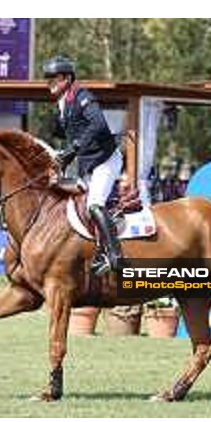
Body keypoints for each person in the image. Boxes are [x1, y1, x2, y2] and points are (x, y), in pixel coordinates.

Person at [43, 55, 123, 276]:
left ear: (68, 78)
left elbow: (97, 123)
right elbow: (67, 131)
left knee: (94, 205)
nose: (49, 82)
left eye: (54, 78)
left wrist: (73, 149)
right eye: (47, 78)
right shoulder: (63, 103)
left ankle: (114, 256)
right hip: (89, 165)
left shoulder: (82, 96)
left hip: (106, 160)